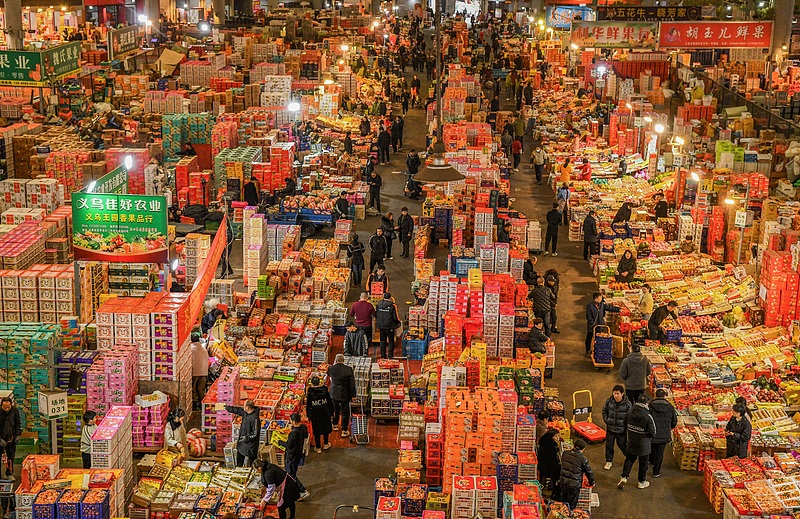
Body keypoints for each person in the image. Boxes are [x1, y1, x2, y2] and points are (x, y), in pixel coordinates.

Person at [618, 395, 656, 490]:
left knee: (629, 459)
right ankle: (641, 481)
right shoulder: (648, 416)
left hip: (631, 441)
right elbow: (653, 432)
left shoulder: (630, 412)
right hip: (644, 444)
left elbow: (624, 424)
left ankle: (624, 477)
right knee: (643, 463)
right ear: (646, 404)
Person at [649, 388, 677, 478]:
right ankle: (656, 472)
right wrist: (670, 427)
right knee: (660, 453)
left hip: (653, 433)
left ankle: (651, 461)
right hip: (664, 434)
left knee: (652, 448)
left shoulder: (650, 406)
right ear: (664, 396)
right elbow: (674, 421)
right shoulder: (670, 407)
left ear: (655, 395)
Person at [559, 439, 595, 509]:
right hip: (574, 485)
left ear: (573, 446)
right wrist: (592, 482)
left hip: (563, 481)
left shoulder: (565, 453)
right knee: (571, 505)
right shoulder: (583, 459)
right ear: (583, 449)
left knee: (563, 502)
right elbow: (589, 472)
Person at [602, 385, 631, 470]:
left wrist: (625, 425)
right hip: (610, 428)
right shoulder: (609, 401)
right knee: (609, 446)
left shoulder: (627, 404)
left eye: (617, 393)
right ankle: (608, 461)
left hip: (621, 430)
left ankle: (629, 457)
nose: (615, 395)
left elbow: (629, 416)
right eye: (614, 393)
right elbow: (604, 410)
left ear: (622, 394)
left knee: (622, 444)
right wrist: (607, 420)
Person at [279, 413, 309, 497]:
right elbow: (305, 436)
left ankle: (302, 490)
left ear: (293, 421)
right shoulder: (303, 428)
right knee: (293, 472)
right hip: (298, 454)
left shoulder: (293, 433)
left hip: (291, 455)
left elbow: (288, 445)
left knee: (290, 474)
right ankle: (295, 488)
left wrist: (279, 442)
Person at [225, 400, 261, 467]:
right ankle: (239, 471)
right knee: (239, 461)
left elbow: (255, 433)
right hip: (242, 443)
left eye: (244, 405)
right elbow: (238, 410)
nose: (243, 407)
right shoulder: (246, 413)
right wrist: (227, 408)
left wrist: (246, 438)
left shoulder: (255, 419)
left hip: (250, 445)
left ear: (247, 407)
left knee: (252, 463)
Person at [328, 354, 356, 437]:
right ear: (343, 360)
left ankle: (335, 424)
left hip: (334, 393)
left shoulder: (331, 369)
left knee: (335, 409)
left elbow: (329, 376)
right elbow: (352, 384)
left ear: (336, 360)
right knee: (345, 412)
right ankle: (344, 429)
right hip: (345, 393)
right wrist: (353, 394)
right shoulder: (348, 370)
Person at [306, 377, 334, 453]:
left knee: (316, 430)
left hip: (315, 414)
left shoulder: (310, 393)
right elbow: (329, 402)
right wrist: (332, 412)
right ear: (319, 383)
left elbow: (308, 405)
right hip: (325, 413)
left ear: (312, 384)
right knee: (326, 428)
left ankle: (318, 447)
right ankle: (325, 444)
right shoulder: (325, 391)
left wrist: (309, 415)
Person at [376, 292, 401, 359]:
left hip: (381, 325)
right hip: (389, 326)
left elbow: (377, 314)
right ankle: (390, 355)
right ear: (390, 298)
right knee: (391, 341)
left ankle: (383, 355)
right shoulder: (392, 306)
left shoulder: (378, 304)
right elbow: (395, 317)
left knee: (382, 341)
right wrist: (398, 323)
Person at [538, 428, 561, 493]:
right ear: (551, 437)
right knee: (558, 473)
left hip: (542, 465)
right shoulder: (551, 447)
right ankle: (554, 489)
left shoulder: (544, 442)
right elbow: (553, 462)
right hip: (546, 468)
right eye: (555, 436)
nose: (557, 438)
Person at [190, 333, 209, 409]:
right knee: (201, 389)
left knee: (193, 388)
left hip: (195, 372)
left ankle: (195, 404)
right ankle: (202, 403)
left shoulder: (191, 349)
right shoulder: (203, 348)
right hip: (204, 372)